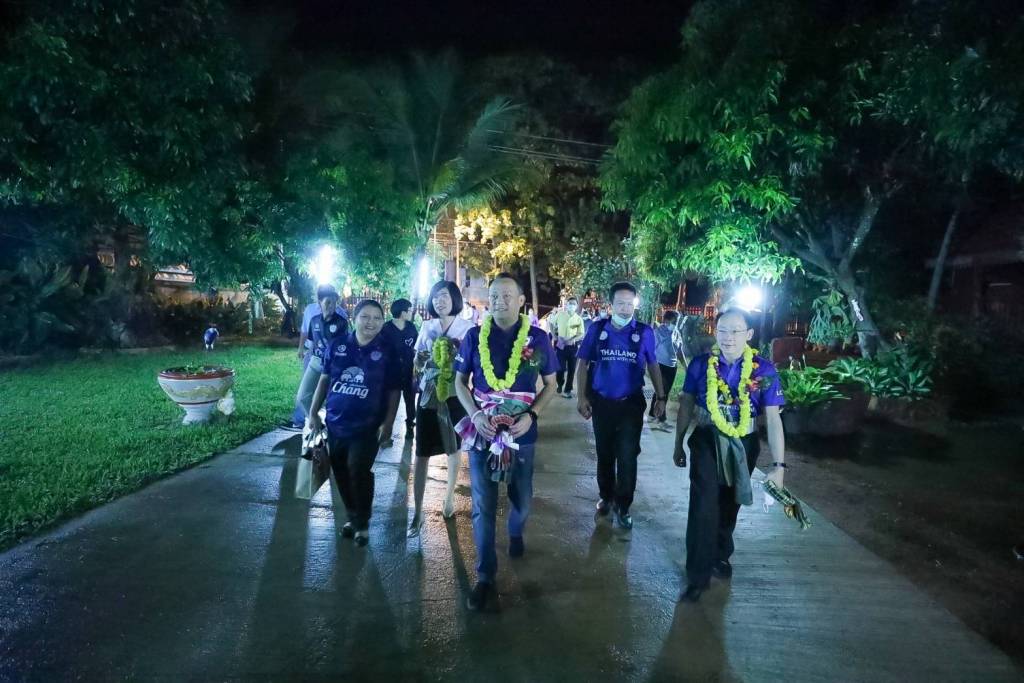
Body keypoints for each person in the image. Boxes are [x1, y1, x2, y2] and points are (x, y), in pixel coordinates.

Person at [454, 273, 558, 611]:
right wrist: (475, 415)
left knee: (522, 500)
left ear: (521, 301)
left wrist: (533, 416)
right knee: (482, 505)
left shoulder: (538, 338)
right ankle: (485, 577)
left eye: (507, 295)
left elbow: (551, 384)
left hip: (521, 433)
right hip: (483, 432)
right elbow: (459, 382)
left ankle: (515, 530)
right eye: (494, 295)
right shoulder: (474, 336)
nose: (499, 301)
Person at [672, 308, 787, 602]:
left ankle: (720, 553)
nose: (728, 337)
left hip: (744, 442)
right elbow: (686, 403)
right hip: (707, 440)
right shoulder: (701, 365)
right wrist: (678, 442)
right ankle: (697, 575)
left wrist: (779, 466)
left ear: (749, 334)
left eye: (735, 331)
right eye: (722, 330)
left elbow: (773, 418)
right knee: (703, 503)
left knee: (729, 502)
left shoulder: (763, 370)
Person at [307, 300, 401, 547]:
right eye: (365, 317)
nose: (371, 322)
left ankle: (362, 523)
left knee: (358, 468)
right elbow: (324, 379)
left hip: (368, 425)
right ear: (354, 318)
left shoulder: (388, 351)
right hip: (336, 422)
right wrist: (314, 412)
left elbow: (394, 390)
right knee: (340, 471)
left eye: (377, 318)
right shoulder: (337, 346)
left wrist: (388, 423)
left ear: (382, 322)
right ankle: (352, 516)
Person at [576, 282, 666, 530]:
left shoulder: (644, 332)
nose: (625, 308)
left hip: (631, 405)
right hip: (602, 403)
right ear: (611, 305)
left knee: (627, 455)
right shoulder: (598, 329)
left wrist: (661, 397)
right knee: (605, 453)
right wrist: (581, 397)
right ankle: (606, 497)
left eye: (630, 303)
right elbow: (582, 363)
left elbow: (653, 364)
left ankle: (624, 505)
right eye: (620, 303)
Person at [408, 281, 475, 535]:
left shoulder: (467, 328)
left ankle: (448, 499)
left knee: (453, 448)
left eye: (444, 296)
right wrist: (419, 360)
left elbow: (472, 364)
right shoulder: (427, 326)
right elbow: (416, 362)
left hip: (456, 395)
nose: (439, 301)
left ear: (454, 299)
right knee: (421, 452)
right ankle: (417, 512)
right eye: (435, 297)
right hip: (428, 394)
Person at [284, 296, 349, 430]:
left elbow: (344, 345)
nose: (331, 305)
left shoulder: (341, 322)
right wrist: (306, 352)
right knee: (302, 397)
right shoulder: (314, 320)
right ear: (320, 303)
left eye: (334, 302)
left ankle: (332, 428)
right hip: (316, 361)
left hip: (333, 364)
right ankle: (315, 421)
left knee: (332, 398)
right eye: (328, 302)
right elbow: (313, 340)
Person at [379, 298, 418, 447]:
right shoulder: (386, 329)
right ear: (402, 312)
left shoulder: (411, 328)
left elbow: (416, 346)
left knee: (410, 401)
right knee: (389, 403)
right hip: (391, 373)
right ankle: (385, 433)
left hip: (408, 372)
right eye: (409, 310)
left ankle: (410, 427)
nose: (412, 312)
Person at [648, 310, 681, 431]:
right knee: (663, 392)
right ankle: (661, 418)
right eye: (674, 320)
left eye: (677, 321)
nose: (676, 323)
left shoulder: (676, 332)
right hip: (660, 365)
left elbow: (680, 350)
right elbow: (651, 349)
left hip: (672, 366)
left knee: (661, 391)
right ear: (667, 319)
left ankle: (653, 414)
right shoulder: (658, 332)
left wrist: (686, 366)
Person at [552, 296, 586, 398]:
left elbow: (581, 333)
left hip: (573, 347)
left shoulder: (579, 319)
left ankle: (568, 390)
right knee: (560, 368)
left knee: (572, 369)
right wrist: (554, 335)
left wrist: (573, 339)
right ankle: (560, 382)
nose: (571, 305)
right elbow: (551, 323)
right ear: (566, 304)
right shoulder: (560, 315)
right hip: (561, 346)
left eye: (573, 304)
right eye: (570, 303)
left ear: (576, 306)